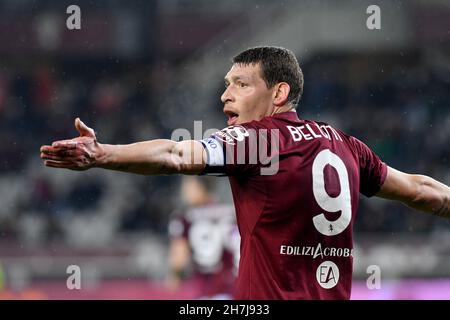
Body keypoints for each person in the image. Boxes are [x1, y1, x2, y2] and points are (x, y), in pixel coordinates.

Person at [40, 46, 450, 300]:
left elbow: (176, 154)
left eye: (240, 84)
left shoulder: (258, 141)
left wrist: (103, 153)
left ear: (279, 93)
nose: (225, 94)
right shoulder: (347, 145)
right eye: (226, 84)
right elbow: (421, 191)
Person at [166, 176, 239, 299]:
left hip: (206, 290)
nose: (184, 190)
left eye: (188, 185)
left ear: (199, 187)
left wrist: (174, 275)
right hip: (231, 289)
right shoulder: (231, 212)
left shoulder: (185, 217)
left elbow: (179, 256)